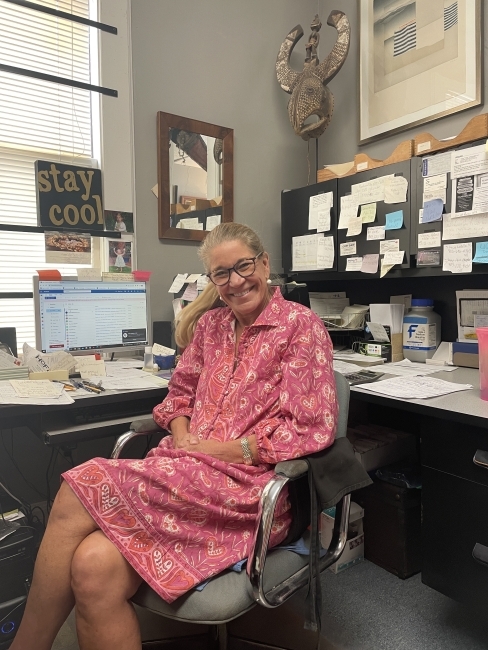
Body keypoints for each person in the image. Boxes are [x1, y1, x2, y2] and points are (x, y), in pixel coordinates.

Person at [11, 223, 337, 650]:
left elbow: (310, 428)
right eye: (222, 273)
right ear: (213, 281)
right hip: (184, 473)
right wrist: (183, 435)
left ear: (265, 264)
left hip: (251, 492)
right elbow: (178, 395)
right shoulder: (211, 327)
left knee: (79, 487)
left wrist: (221, 449)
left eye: (244, 266)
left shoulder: (301, 327)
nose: (236, 282)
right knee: (93, 568)